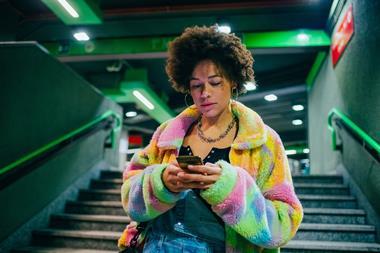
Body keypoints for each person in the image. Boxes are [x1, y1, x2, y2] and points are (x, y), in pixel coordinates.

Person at [119, 25, 303, 253]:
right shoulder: (168, 134)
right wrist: (162, 183)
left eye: (215, 82)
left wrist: (231, 189)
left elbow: (283, 224)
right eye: (196, 85)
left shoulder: (263, 142)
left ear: (233, 81)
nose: (205, 93)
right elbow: (130, 198)